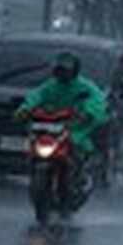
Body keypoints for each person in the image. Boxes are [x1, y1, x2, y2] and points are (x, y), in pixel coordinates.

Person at [14, 51, 109, 196]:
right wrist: (25, 110)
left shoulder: (85, 87)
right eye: (60, 69)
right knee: (33, 146)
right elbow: (35, 96)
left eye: (66, 69)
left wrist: (88, 113)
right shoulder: (50, 86)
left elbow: (97, 101)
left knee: (78, 147)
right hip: (50, 128)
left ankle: (78, 178)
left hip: (75, 128)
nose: (63, 72)